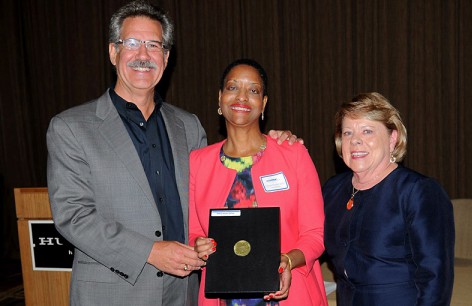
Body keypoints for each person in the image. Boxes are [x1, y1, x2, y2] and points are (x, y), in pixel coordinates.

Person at [46, 2, 297, 305]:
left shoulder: (188, 126)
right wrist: (150, 252)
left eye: (154, 45)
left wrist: (272, 146)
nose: (143, 55)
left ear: (165, 58)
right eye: (132, 43)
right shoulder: (71, 127)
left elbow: (213, 196)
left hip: (184, 292)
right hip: (113, 292)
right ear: (114, 52)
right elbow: (73, 216)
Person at [188, 58, 328, 306]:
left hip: (288, 294)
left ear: (263, 103)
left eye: (253, 90)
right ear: (220, 98)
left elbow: (316, 234)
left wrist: (289, 259)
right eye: (232, 88)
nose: (241, 97)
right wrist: (198, 245)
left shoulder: (293, 154)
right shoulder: (198, 162)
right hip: (222, 296)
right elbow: (194, 232)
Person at [322, 92, 455, 305]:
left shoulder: (418, 191)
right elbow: (309, 239)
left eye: (367, 131)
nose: (355, 140)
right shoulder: (333, 189)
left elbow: (436, 278)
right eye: (347, 133)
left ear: (392, 138)